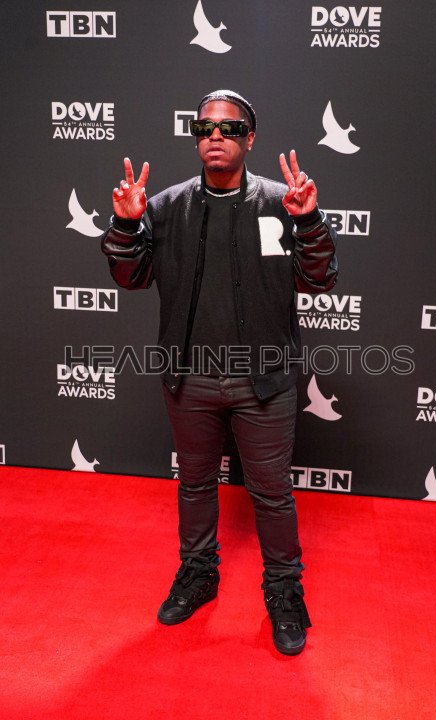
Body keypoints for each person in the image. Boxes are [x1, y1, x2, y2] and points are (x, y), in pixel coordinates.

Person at [101, 89, 338, 655]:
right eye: (204, 127)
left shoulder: (283, 201)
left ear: (248, 139)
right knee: (195, 484)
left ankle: (284, 592)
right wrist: (126, 226)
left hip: (266, 380)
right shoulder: (165, 206)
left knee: (272, 494)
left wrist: (308, 222)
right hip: (191, 379)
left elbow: (320, 279)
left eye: (229, 129)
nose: (215, 136)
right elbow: (130, 278)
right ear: (195, 137)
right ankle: (198, 574)